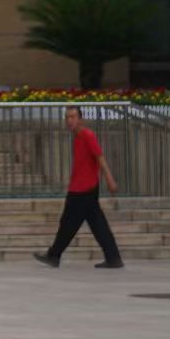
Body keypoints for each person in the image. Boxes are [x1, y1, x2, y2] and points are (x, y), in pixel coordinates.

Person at [35, 105, 124, 269]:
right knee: (96, 224)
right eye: (67, 117)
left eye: (73, 117)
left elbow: (100, 158)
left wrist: (110, 180)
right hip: (79, 187)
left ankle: (54, 255)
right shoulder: (77, 138)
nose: (69, 120)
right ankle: (113, 258)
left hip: (84, 189)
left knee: (69, 223)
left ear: (80, 119)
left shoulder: (87, 135)